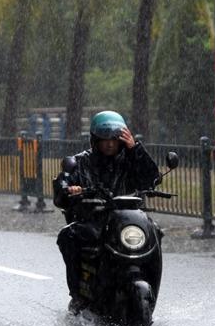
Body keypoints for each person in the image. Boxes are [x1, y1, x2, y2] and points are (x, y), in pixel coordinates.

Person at [52, 111, 160, 314]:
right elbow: (61, 190)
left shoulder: (130, 160)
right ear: (95, 140)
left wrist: (135, 149)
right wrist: (70, 190)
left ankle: (152, 284)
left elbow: (151, 178)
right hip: (94, 220)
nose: (110, 144)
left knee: (155, 231)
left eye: (114, 139)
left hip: (127, 221)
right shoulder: (80, 162)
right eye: (104, 139)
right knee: (68, 235)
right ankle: (78, 295)